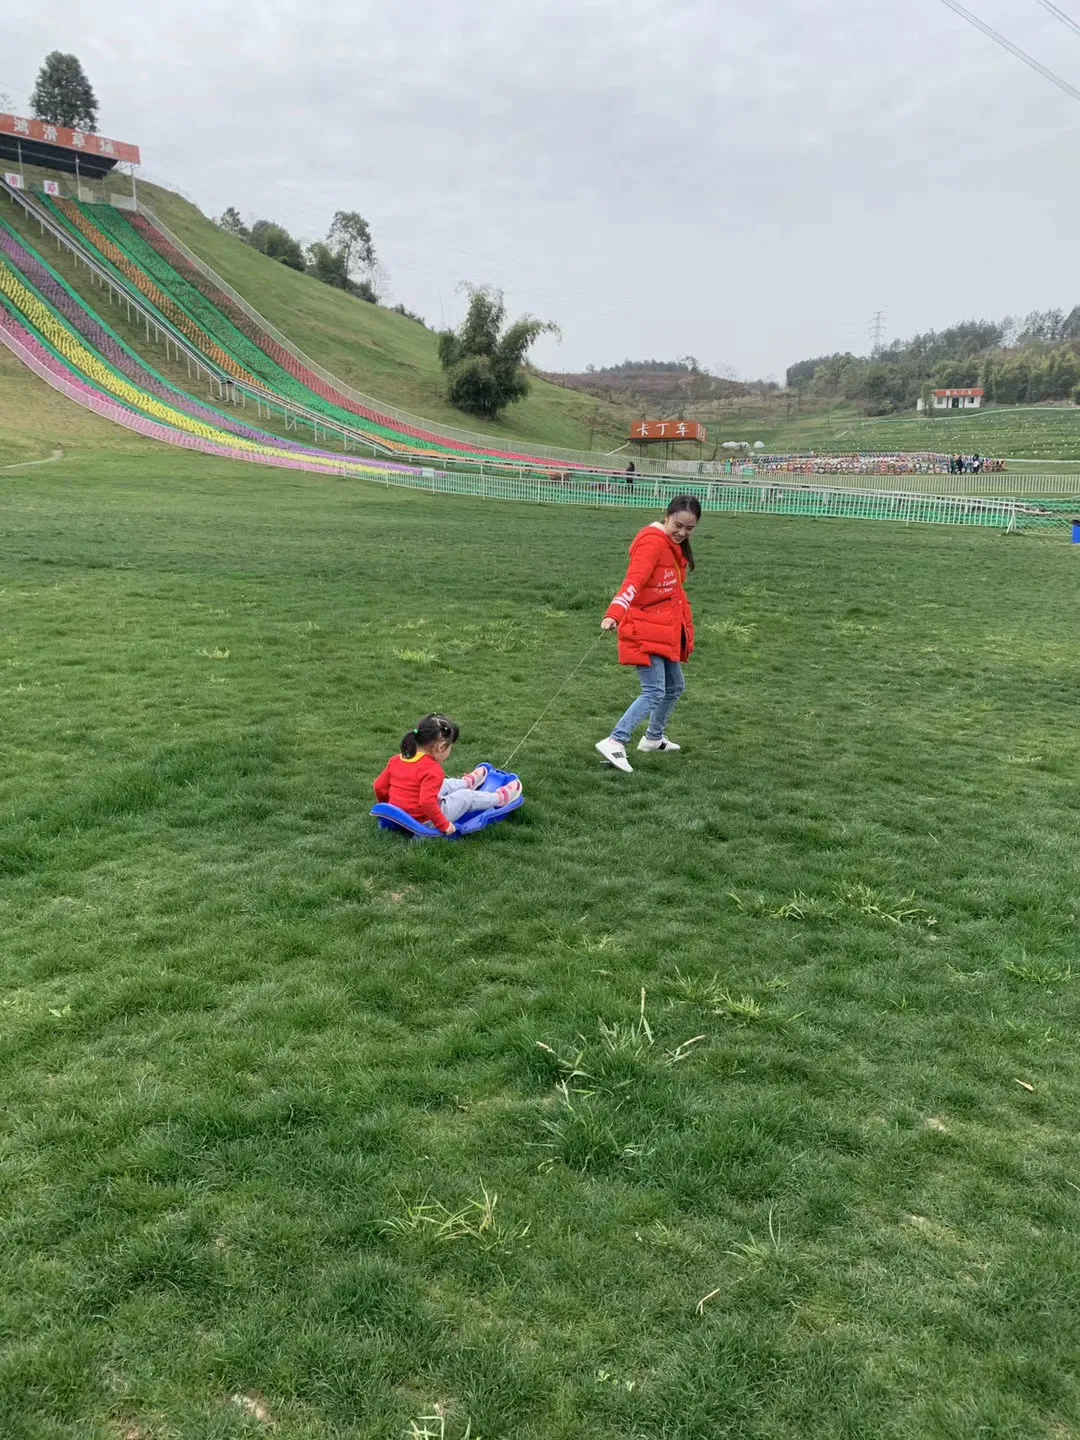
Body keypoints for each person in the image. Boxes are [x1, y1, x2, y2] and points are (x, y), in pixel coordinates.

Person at [595, 495, 701, 773]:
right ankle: (616, 740)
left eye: (689, 529)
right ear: (667, 517)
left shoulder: (674, 548)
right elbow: (634, 581)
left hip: (664, 628)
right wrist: (614, 613)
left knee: (675, 687)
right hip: (643, 627)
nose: (682, 533)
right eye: (678, 525)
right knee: (654, 690)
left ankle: (653, 738)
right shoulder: (652, 543)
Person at [373, 713, 521, 834]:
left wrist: (389, 806)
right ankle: (499, 798)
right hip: (425, 820)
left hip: (399, 814)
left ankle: (467, 783)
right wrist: (444, 825)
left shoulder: (397, 759)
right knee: (465, 796)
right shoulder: (432, 769)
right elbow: (426, 802)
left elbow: (379, 786)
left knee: (442, 784)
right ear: (442, 747)